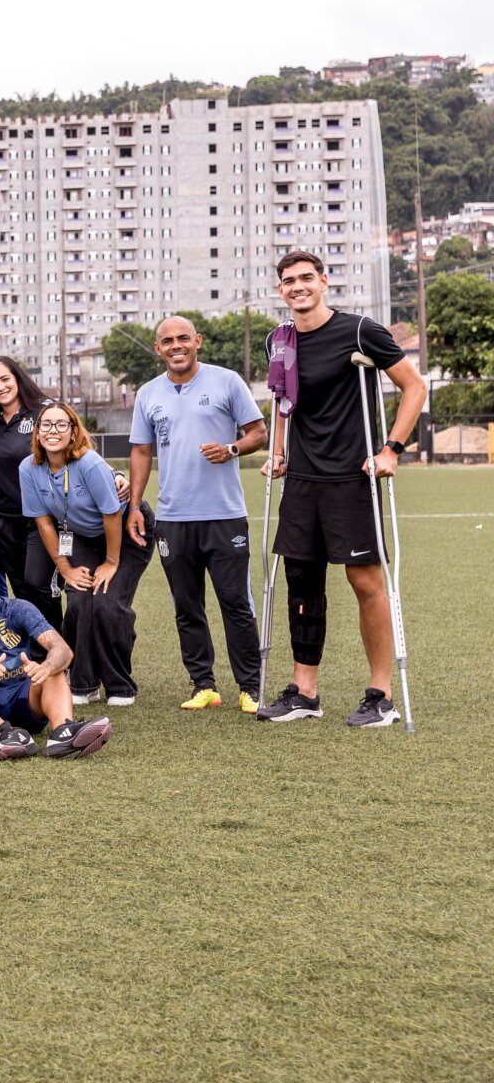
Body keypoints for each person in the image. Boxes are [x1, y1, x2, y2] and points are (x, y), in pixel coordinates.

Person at [260, 250, 427, 727]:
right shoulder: (280, 339)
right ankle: (304, 691)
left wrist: (392, 449)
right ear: (281, 290)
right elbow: (281, 403)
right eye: (289, 281)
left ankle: (381, 695)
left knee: (364, 580)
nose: (298, 287)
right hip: (303, 480)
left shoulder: (359, 331)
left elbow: (414, 387)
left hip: (354, 476)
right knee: (302, 581)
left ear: (324, 282)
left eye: (306, 278)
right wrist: (278, 452)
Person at [128, 316, 268, 714]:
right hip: (173, 517)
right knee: (186, 605)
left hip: (224, 515)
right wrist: (135, 506)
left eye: (183, 338)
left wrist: (232, 450)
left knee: (235, 603)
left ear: (197, 342)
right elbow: (141, 451)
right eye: (167, 341)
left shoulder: (227, 381)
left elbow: (258, 431)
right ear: (158, 348)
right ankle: (203, 684)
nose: (176, 346)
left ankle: (250, 686)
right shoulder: (148, 393)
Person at [20, 400, 151, 708]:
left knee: (107, 603)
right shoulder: (28, 468)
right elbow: (44, 524)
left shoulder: (89, 462)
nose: (53, 431)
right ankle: (84, 683)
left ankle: (120, 684)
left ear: (73, 431)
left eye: (61, 424)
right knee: (78, 600)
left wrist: (111, 562)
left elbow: (111, 515)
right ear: (37, 432)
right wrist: (64, 568)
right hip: (80, 536)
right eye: (46, 425)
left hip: (123, 534)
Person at [0, 550, 112, 760]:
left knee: (54, 667)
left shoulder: (18, 608)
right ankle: (4, 733)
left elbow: (62, 649)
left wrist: (45, 667)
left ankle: (63, 733)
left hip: (23, 699)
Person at [0, 355, 61, 627]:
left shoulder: (44, 411)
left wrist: (116, 475)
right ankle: (35, 655)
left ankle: (61, 655)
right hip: (4, 519)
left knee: (40, 585)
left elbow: (79, 452)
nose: (0, 387)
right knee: (21, 590)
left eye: (5, 379)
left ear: (18, 378)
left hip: (41, 518)